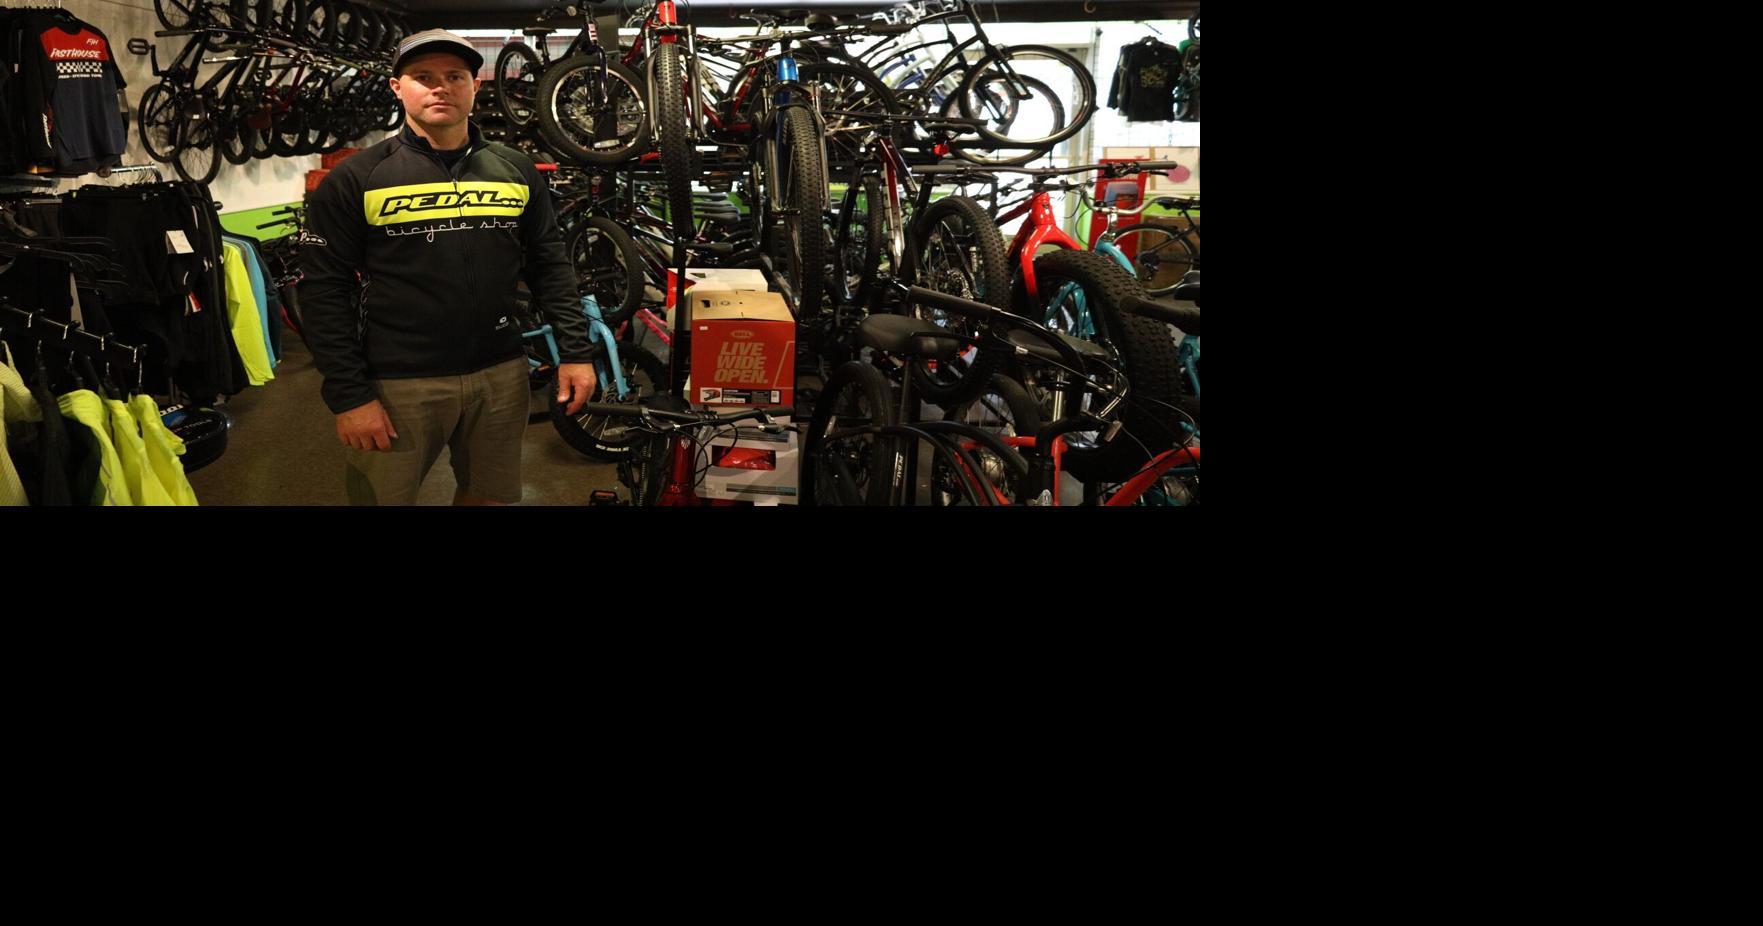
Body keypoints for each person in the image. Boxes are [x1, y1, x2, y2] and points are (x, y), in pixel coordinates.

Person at [298, 29, 598, 505]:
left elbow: (550, 265)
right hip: (398, 381)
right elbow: (323, 291)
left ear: (474, 86)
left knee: (490, 497)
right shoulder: (357, 178)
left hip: (500, 372)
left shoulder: (516, 169)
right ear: (398, 88)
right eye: (423, 76)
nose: (441, 87)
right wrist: (349, 395)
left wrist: (576, 352)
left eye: (454, 76)